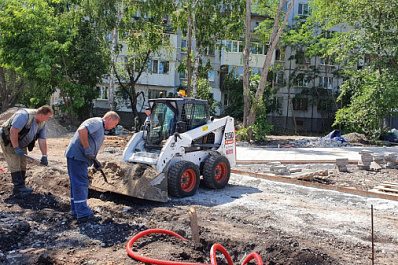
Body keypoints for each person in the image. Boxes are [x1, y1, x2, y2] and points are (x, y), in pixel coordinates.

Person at [65, 111, 120, 223]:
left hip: (78, 157)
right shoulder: (97, 122)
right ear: (109, 118)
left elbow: (91, 143)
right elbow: (82, 130)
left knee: (76, 184)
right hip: (78, 157)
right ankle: (83, 214)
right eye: (115, 123)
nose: (114, 126)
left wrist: (94, 160)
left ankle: (77, 211)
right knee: (81, 183)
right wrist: (86, 148)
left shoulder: (99, 126)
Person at [0, 105, 53, 195]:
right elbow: (13, 131)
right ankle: (18, 188)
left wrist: (44, 156)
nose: (47, 120)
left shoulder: (42, 123)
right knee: (15, 162)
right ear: (41, 115)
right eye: (47, 117)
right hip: (8, 140)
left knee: (23, 163)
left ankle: (22, 186)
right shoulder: (24, 116)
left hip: (21, 142)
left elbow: (42, 140)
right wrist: (16, 147)